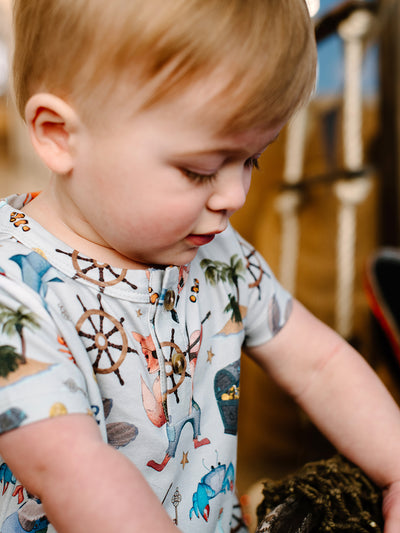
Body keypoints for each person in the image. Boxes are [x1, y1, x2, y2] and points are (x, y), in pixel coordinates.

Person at [0, 1, 399, 532]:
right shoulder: (15, 295)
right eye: (198, 170)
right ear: (59, 135)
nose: (234, 195)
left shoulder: (214, 250)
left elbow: (319, 364)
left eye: (252, 159)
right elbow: (77, 474)